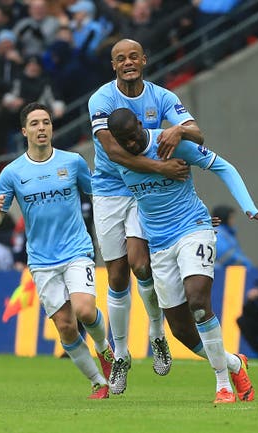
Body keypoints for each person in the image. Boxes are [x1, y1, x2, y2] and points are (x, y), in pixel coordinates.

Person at [107, 107, 258, 403]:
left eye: (133, 136)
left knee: (198, 302)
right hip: (159, 244)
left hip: (192, 228)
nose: (130, 144)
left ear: (141, 125)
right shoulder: (117, 159)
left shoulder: (170, 143)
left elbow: (223, 167)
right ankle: (234, 364)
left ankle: (222, 384)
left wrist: (250, 208)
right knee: (182, 330)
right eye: (123, 140)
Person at [88, 38, 202, 394]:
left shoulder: (162, 97)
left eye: (133, 56)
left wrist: (179, 129)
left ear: (145, 60)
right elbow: (113, 151)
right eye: (120, 59)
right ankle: (121, 353)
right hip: (108, 189)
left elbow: (197, 133)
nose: (128, 63)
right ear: (113, 65)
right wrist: (161, 166)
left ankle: (156, 334)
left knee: (140, 265)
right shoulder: (101, 100)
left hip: (142, 190)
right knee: (118, 275)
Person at [0, 102, 114, 399]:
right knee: (66, 327)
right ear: (24, 131)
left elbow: (98, 194)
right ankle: (98, 382)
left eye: (45, 122)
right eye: (34, 124)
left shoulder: (73, 162)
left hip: (76, 250)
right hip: (42, 261)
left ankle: (105, 350)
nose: (41, 128)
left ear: (52, 128)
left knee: (83, 309)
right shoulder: (12, 172)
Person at [211, 204, 255, 270]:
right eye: (231, 217)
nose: (233, 220)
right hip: (220, 273)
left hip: (227, 271)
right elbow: (225, 255)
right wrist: (246, 263)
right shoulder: (218, 233)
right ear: (224, 218)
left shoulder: (228, 232)